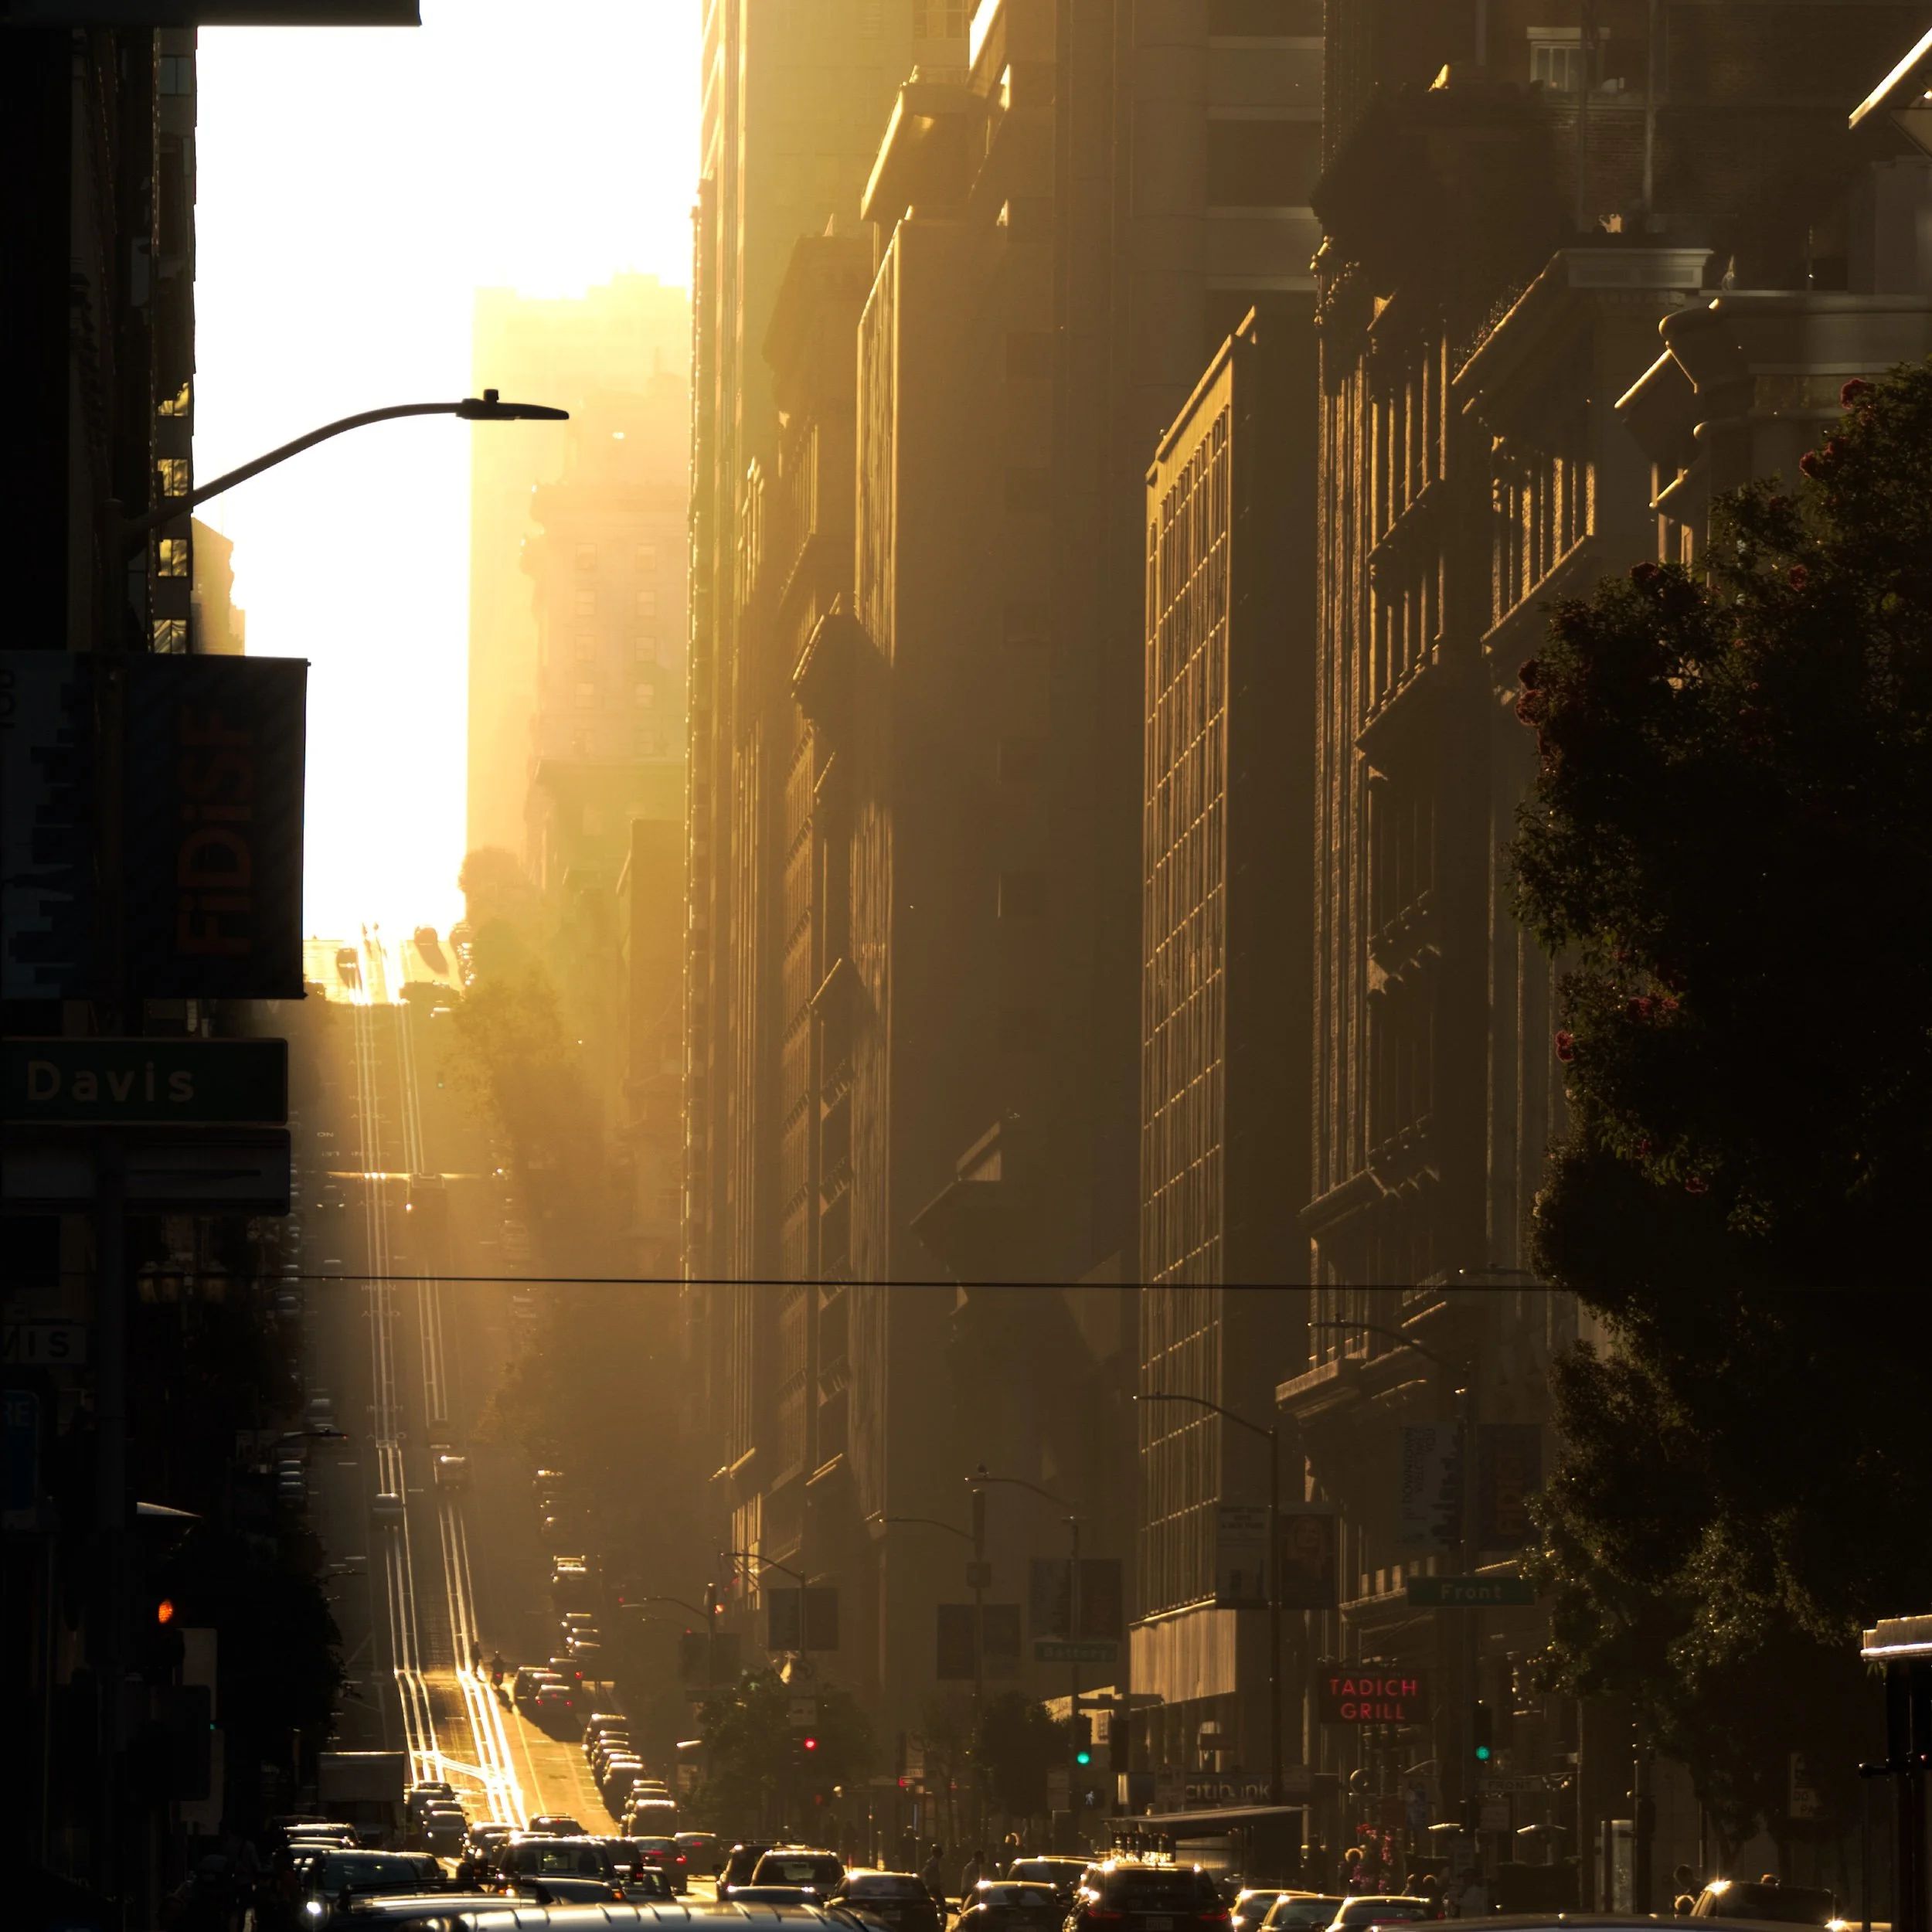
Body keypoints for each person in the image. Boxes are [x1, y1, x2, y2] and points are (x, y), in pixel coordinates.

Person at [922, 1843, 947, 1908]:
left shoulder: (933, 1862)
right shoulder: (933, 1863)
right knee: (940, 1901)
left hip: (934, 1885)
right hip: (933, 1886)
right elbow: (928, 1874)